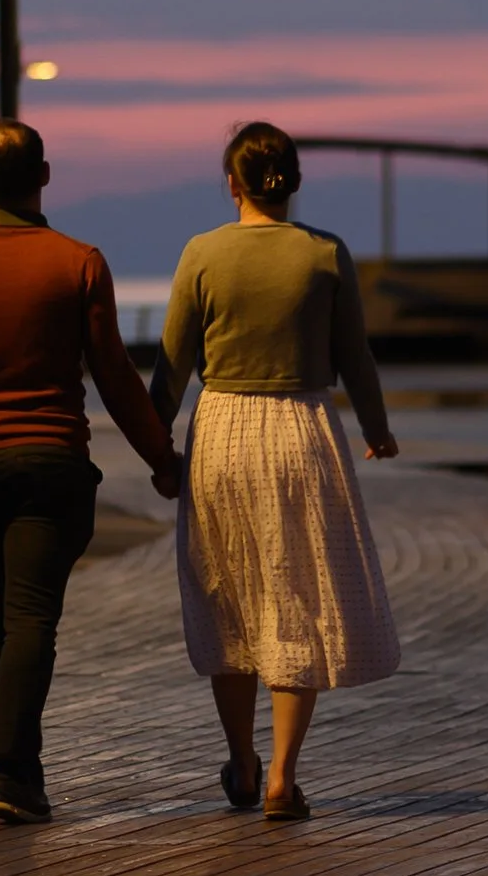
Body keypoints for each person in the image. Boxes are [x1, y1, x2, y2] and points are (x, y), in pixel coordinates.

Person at [0, 118, 181, 821]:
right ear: (44, 176)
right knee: (32, 617)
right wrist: (161, 458)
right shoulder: (78, 261)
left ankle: (14, 769)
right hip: (52, 460)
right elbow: (113, 374)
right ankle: (12, 772)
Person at [150, 118, 401, 821]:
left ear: (233, 184)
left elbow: (169, 367)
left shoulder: (201, 253)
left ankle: (241, 755)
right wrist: (377, 431)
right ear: (292, 183)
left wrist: (156, 452)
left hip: (223, 431)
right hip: (300, 430)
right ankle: (283, 777)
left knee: (227, 598)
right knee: (299, 600)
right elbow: (356, 356)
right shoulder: (325, 254)